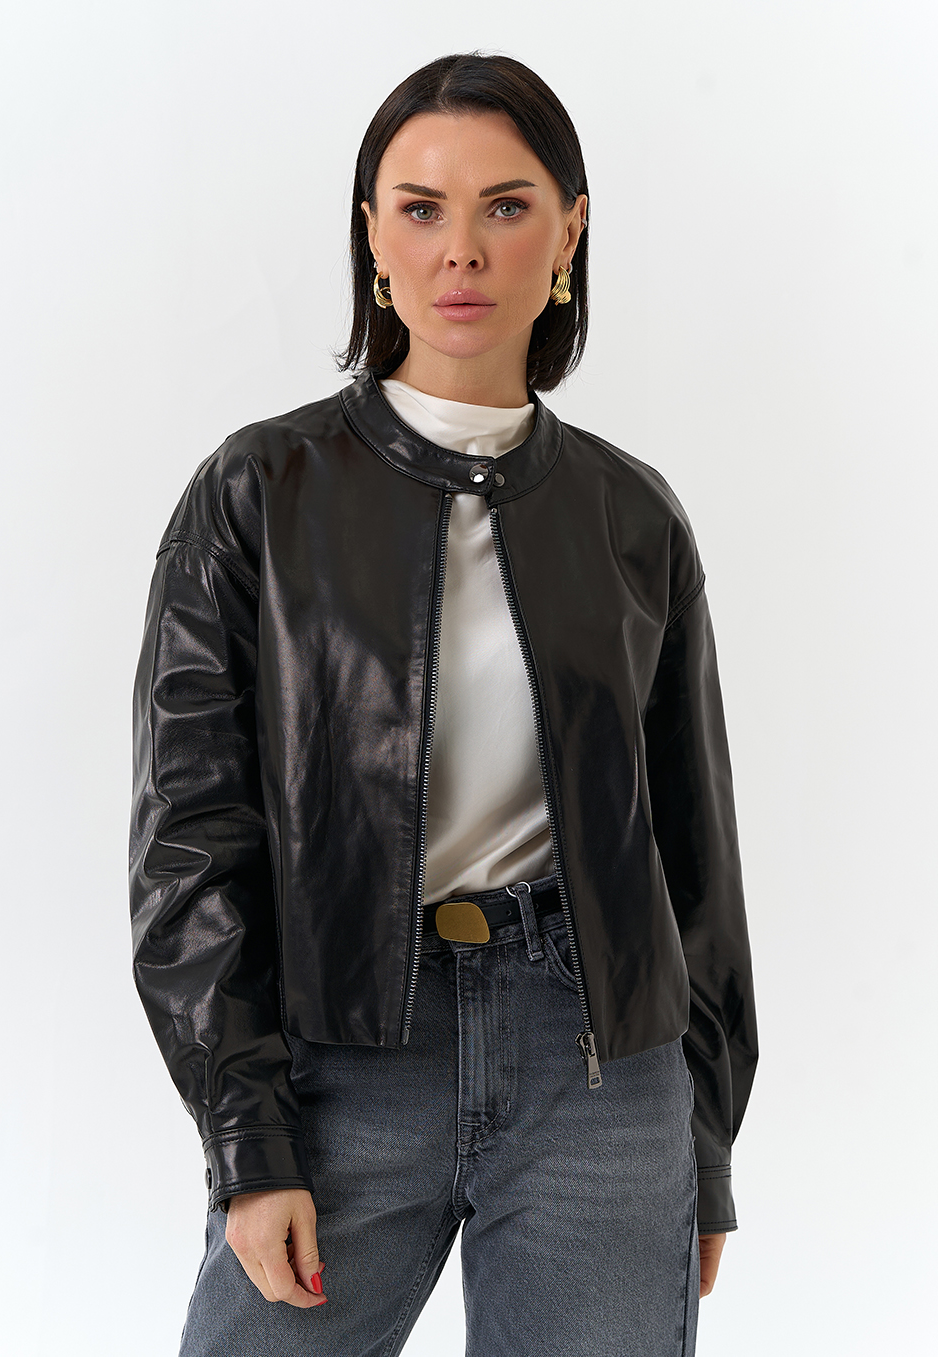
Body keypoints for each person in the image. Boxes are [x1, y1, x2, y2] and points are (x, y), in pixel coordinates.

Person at [129, 50, 758, 1357]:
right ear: (373, 235)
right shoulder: (257, 494)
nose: (460, 249)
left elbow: (693, 859)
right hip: (341, 1056)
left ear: (568, 234)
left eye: (506, 206)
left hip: (599, 1070)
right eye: (421, 207)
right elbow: (191, 844)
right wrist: (248, 1137)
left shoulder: (631, 518)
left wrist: (703, 1141)